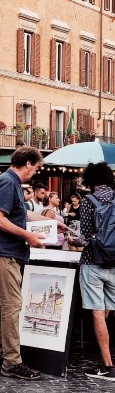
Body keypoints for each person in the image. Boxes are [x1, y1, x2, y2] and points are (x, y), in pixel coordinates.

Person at [0, 145, 46, 380]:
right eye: (35, 168)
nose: (35, 173)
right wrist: (28, 236)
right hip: (3, 252)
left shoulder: (8, 182)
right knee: (11, 306)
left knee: (0, 306)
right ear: (27, 163)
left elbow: (20, 214)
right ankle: (12, 363)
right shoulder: (8, 182)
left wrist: (53, 221)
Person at [77, 162, 115, 380]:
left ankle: (107, 366)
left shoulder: (88, 202)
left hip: (93, 262)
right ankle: (106, 350)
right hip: (114, 262)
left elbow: (85, 238)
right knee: (107, 309)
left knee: (97, 311)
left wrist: (71, 234)